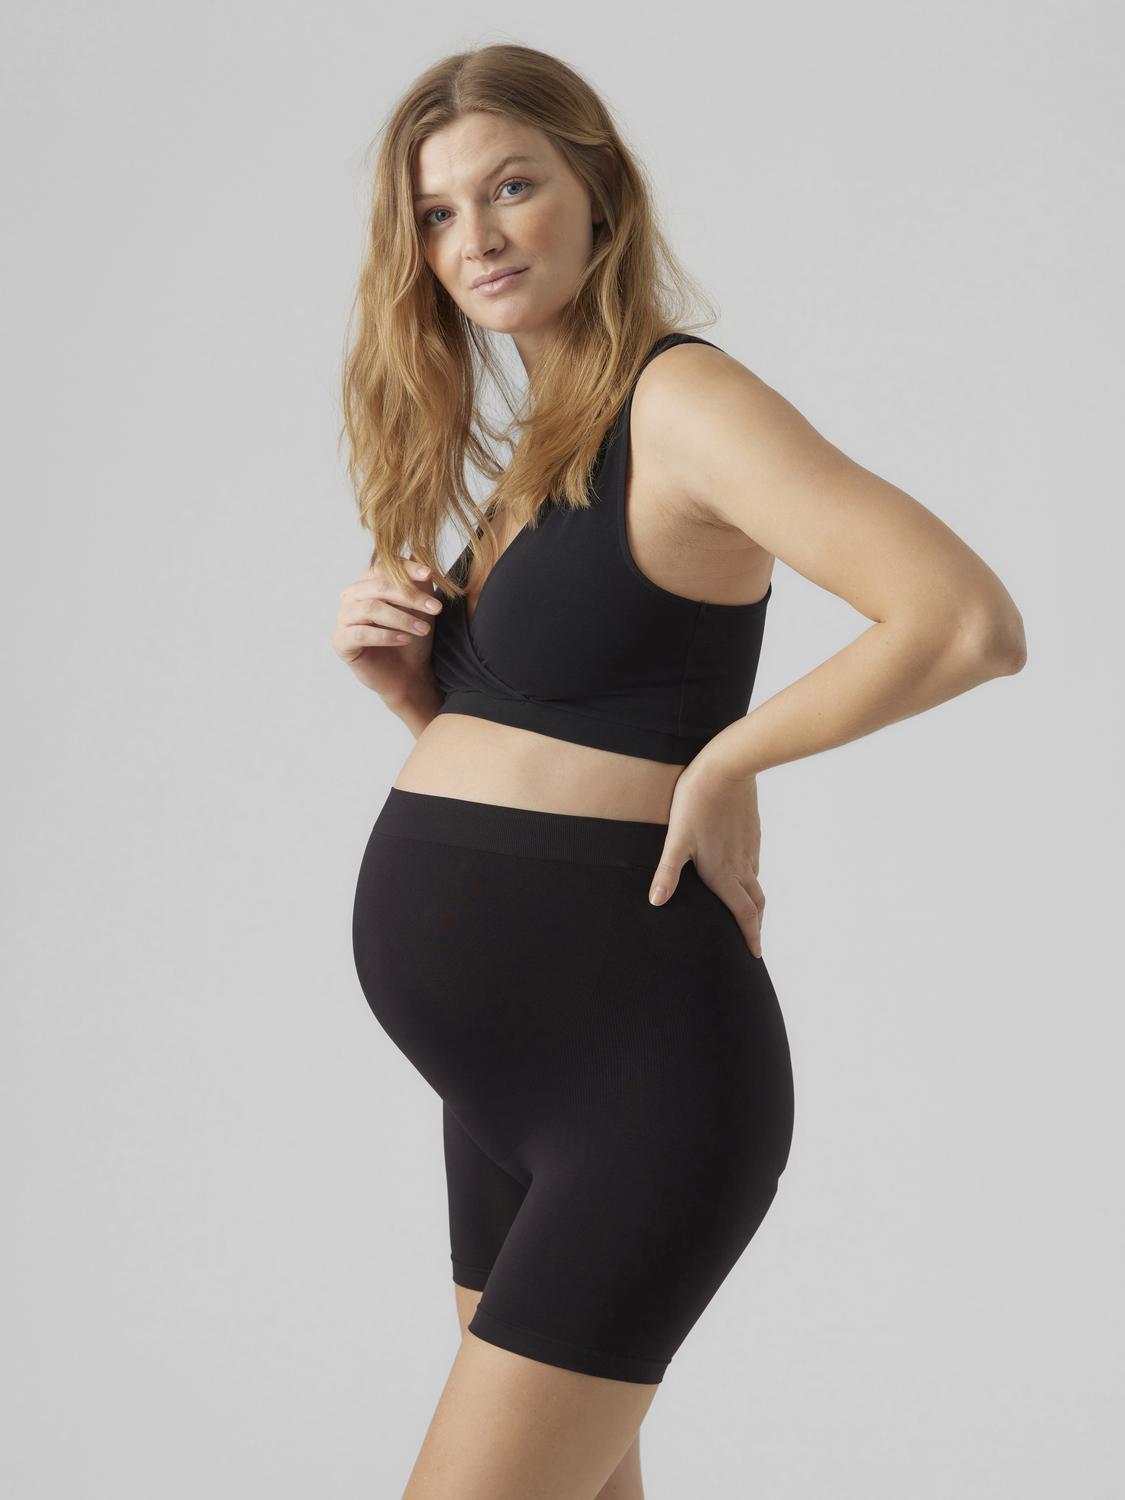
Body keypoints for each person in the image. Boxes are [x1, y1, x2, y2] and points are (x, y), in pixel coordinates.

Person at [333, 42, 1027, 1500]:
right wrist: (418, 700)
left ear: (597, 188)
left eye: (511, 187)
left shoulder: (682, 400)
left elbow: (964, 621)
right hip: (504, 1093)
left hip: (636, 1080)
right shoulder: (548, 441)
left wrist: (730, 759)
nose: (476, 238)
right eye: (439, 214)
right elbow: (562, 751)